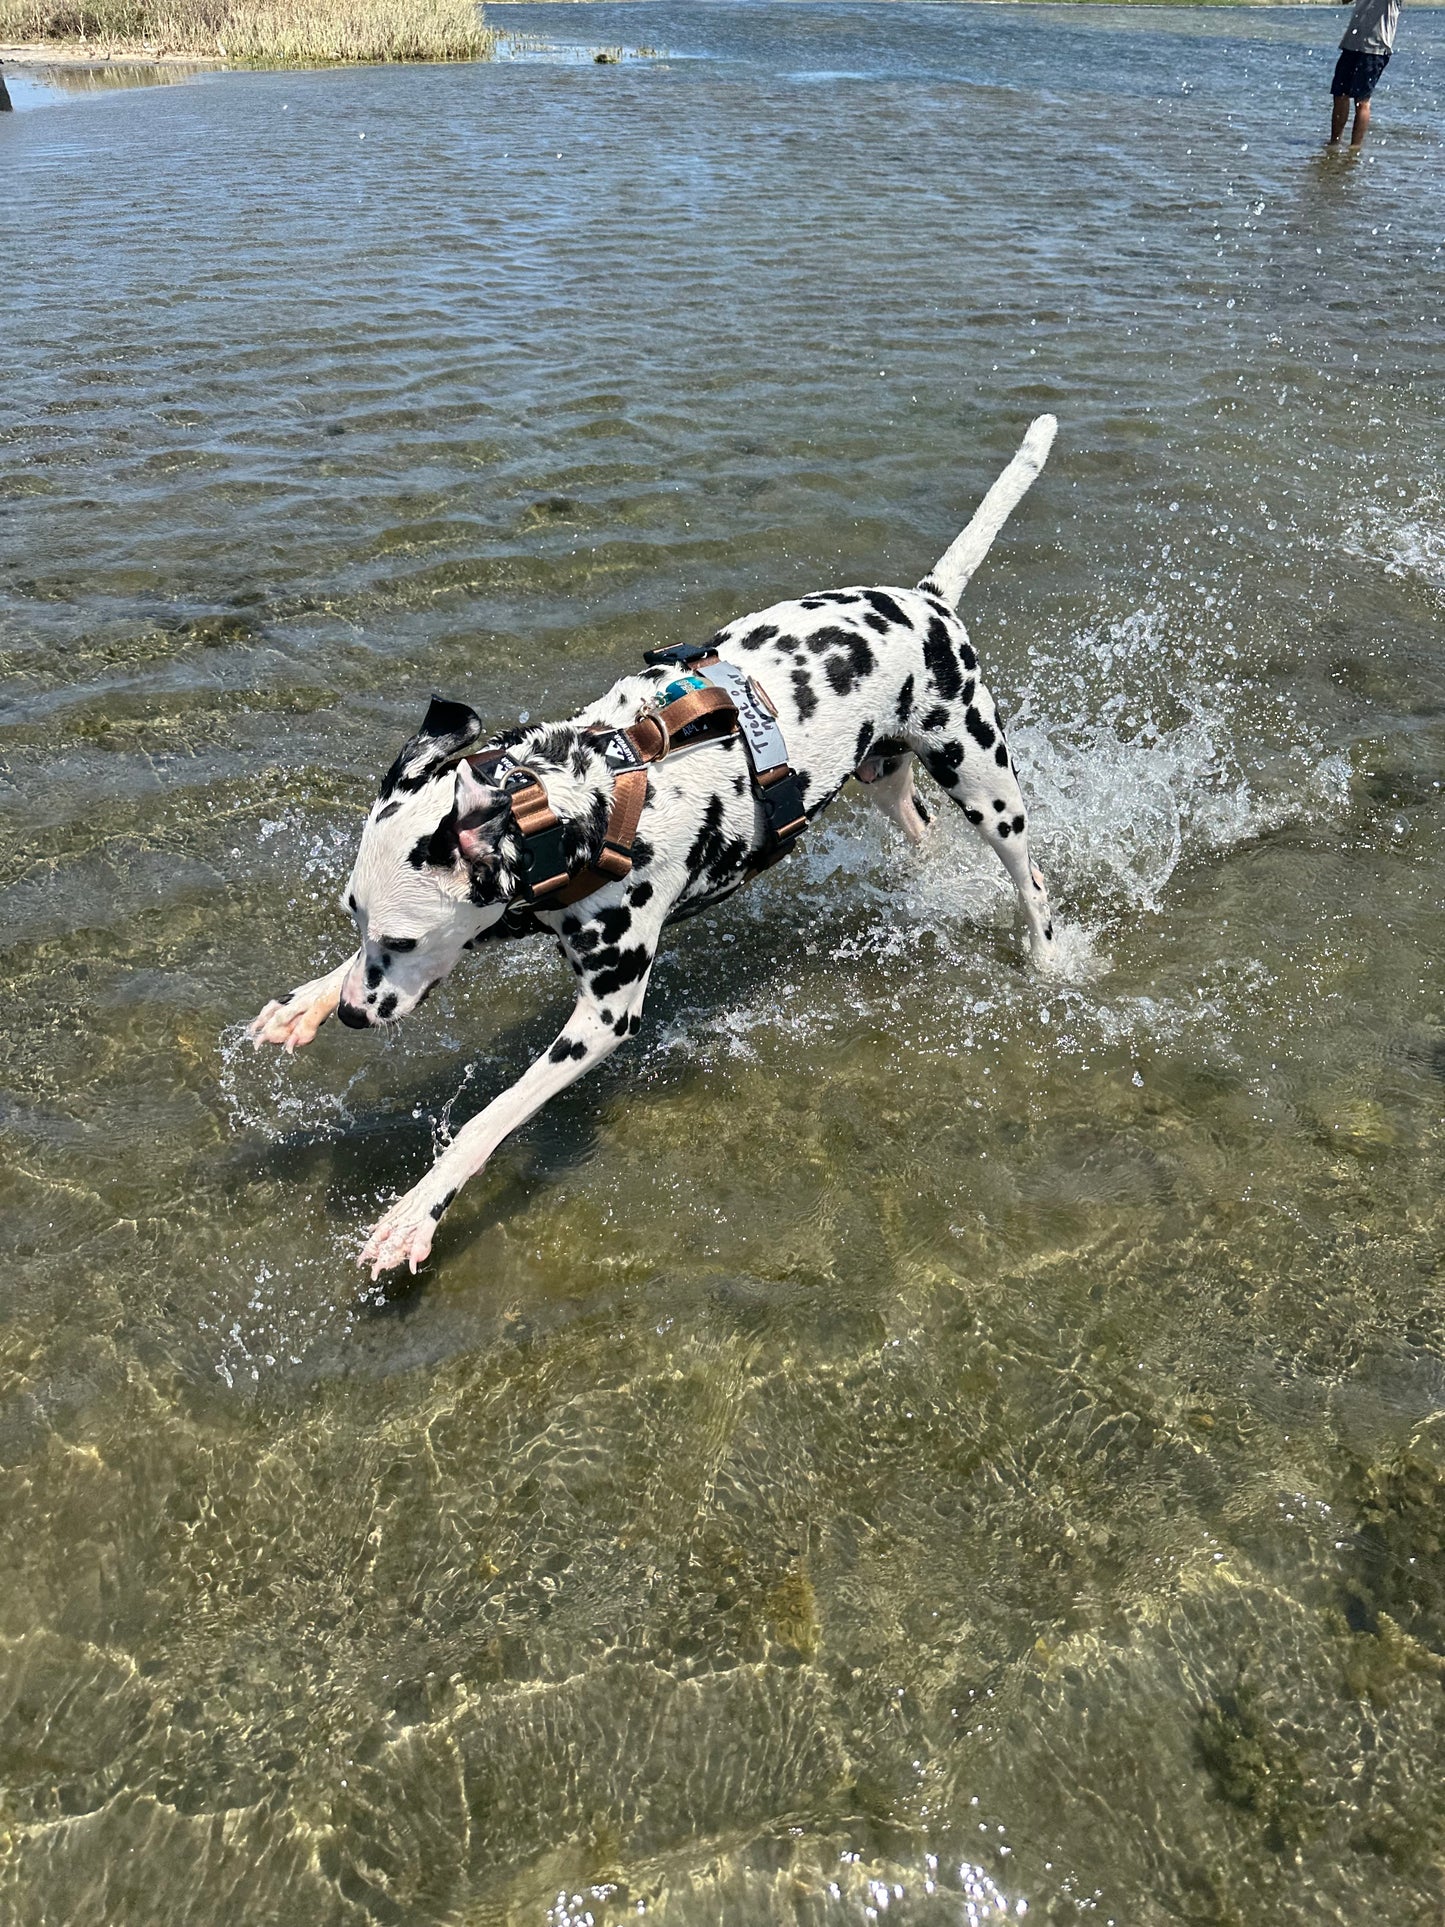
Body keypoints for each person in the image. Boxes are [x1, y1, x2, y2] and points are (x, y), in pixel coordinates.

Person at [1330, 0, 1402, 148]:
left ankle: (1354, 148)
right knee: (1339, 94)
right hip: (1351, 44)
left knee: (1361, 101)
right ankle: (1334, 143)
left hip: (1376, 49)